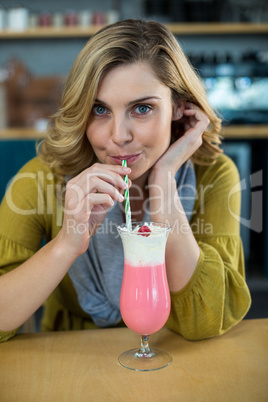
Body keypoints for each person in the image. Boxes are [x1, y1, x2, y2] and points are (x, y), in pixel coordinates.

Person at [0, 19, 251, 342]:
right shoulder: (41, 179)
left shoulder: (214, 176)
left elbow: (206, 320)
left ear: (179, 107)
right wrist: (66, 244)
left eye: (142, 108)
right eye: (99, 110)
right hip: (71, 364)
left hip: (173, 356)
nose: (118, 136)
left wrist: (163, 181)